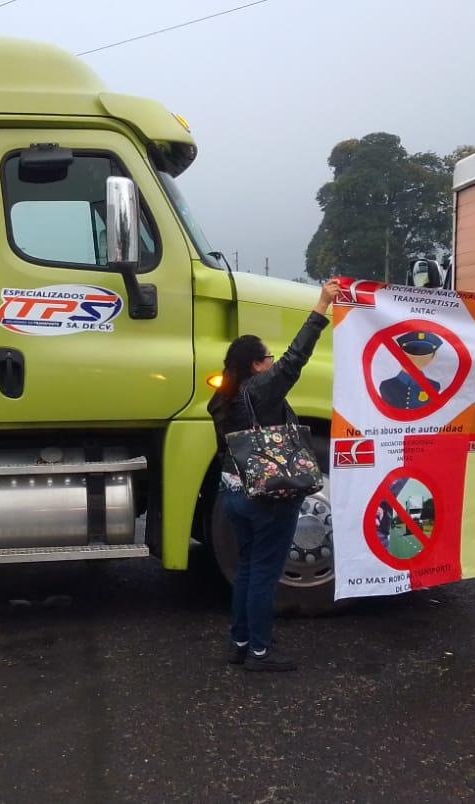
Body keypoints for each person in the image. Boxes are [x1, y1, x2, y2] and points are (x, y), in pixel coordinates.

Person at [209, 277, 343, 672]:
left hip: (233, 494)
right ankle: (261, 653)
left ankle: (240, 641)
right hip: (268, 497)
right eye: (266, 358)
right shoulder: (260, 390)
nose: (272, 362)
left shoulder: (225, 396)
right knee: (264, 575)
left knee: (249, 570)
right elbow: (296, 359)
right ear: (256, 365)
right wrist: (322, 305)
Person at [379, 331, 443, 410]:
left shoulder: (434, 386)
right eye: (412, 352)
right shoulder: (386, 386)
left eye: (423, 353)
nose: (417, 358)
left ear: (432, 357)